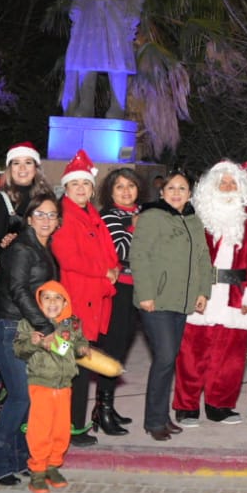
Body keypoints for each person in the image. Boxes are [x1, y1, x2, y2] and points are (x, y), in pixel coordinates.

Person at [176, 161, 247, 425]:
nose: (227, 187)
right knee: (192, 354)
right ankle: (186, 406)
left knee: (230, 358)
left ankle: (220, 405)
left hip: (235, 297)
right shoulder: (197, 216)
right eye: (222, 183)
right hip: (201, 294)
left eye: (232, 182)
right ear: (211, 187)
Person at [0, 194, 62, 487]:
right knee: (21, 396)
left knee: (27, 397)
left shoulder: (43, 248)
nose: (46, 220)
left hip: (28, 329)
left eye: (51, 215)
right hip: (9, 328)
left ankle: (19, 459)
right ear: (29, 219)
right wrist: (45, 325)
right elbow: (18, 290)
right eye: (40, 214)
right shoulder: (21, 248)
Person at [130, 171, 213, 440]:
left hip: (182, 300)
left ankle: (162, 417)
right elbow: (139, 255)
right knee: (165, 358)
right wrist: (145, 293)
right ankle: (154, 421)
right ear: (162, 192)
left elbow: (203, 258)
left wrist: (203, 291)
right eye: (171, 188)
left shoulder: (193, 220)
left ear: (190, 193)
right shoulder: (152, 216)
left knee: (168, 360)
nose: (177, 193)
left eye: (182, 188)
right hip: (157, 300)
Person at [49, 151, 119, 444]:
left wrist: (112, 269)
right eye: (75, 183)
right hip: (73, 305)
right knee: (71, 366)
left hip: (90, 300)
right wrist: (105, 272)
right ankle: (70, 427)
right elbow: (68, 258)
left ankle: (73, 424)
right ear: (66, 187)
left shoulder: (92, 214)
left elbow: (108, 251)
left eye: (85, 183)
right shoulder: (65, 216)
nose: (80, 188)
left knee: (79, 364)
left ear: (92, 188)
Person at [14, 281, 86, 493]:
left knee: (61, 429)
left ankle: (53, 466)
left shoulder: (72, 324)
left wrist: (82, 348)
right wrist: (33, 342)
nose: (52, 302)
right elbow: (19, 350)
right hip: (41, 384)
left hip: (64, 386)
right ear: (38, 302)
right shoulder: (29, 324)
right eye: (47, 298)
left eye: (57, 298)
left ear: (65, 302)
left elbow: (78, 342)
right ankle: (37, 470)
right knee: (40, 429)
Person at [96, 167, 143, 433]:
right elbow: (121, 251)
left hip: (137, 289)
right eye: (120, 186)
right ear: (110, 191)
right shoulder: (109, 216)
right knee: (112, 350)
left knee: (122, 350)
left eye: (131, 186)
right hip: (118, 291)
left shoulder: (140, 212)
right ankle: (102, 410)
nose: (126, 191)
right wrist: (135, 228)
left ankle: (107, 406)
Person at [0, 143, 53, 257]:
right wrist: (9, 244)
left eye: (28, 162)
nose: (22, 168)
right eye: (16, 163)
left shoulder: (48, 197)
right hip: (15, 264)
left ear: (36, 168)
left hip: (46, 262)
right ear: (10, 168)